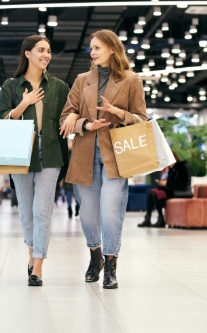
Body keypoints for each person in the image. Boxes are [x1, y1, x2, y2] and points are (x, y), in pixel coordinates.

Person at [59, 29, 147, 289]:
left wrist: (116, 112)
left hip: (116, 155)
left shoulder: (131, 80)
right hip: (85, 153)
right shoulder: (82, 79)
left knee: (110, 212)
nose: (92, 52)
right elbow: (65, 119)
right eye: (91, 47)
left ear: (112, 49)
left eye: (97, 47)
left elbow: (142, 119)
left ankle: (110, 265)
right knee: (87, 214)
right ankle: (95, 253)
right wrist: (84, 123)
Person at [0, 35, 70, 287]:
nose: (46, 55)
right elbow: (1, 120)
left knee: (42, 211)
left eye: (49, 51)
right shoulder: (11, 86)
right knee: (27, 212)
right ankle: (31, 252)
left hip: (50, 152)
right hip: (19, 153)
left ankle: (37, 265)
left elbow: (69, 115)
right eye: (41, 50)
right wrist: (23, 104)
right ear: (27, 54)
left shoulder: (59, 87)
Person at [139, 150, 192, 228]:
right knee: (151, 193)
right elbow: (171, 183)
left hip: (181, 192)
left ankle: (161, 219)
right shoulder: (171, 168)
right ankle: (148, 218)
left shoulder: (182, 167)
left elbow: (183, 184)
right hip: (171, 190)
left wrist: (167, 184)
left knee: (155, 195)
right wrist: (162, 184)